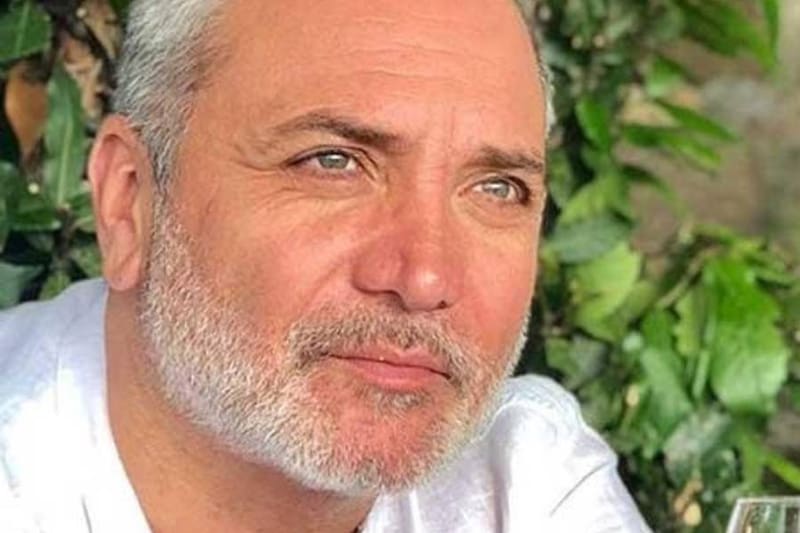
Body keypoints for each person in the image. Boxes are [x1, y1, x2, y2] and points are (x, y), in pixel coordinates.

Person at [0, 0, 651, 531]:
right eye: (333, 162)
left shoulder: (522, 483)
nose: (425, 279)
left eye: (497, 188)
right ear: (129, 200)